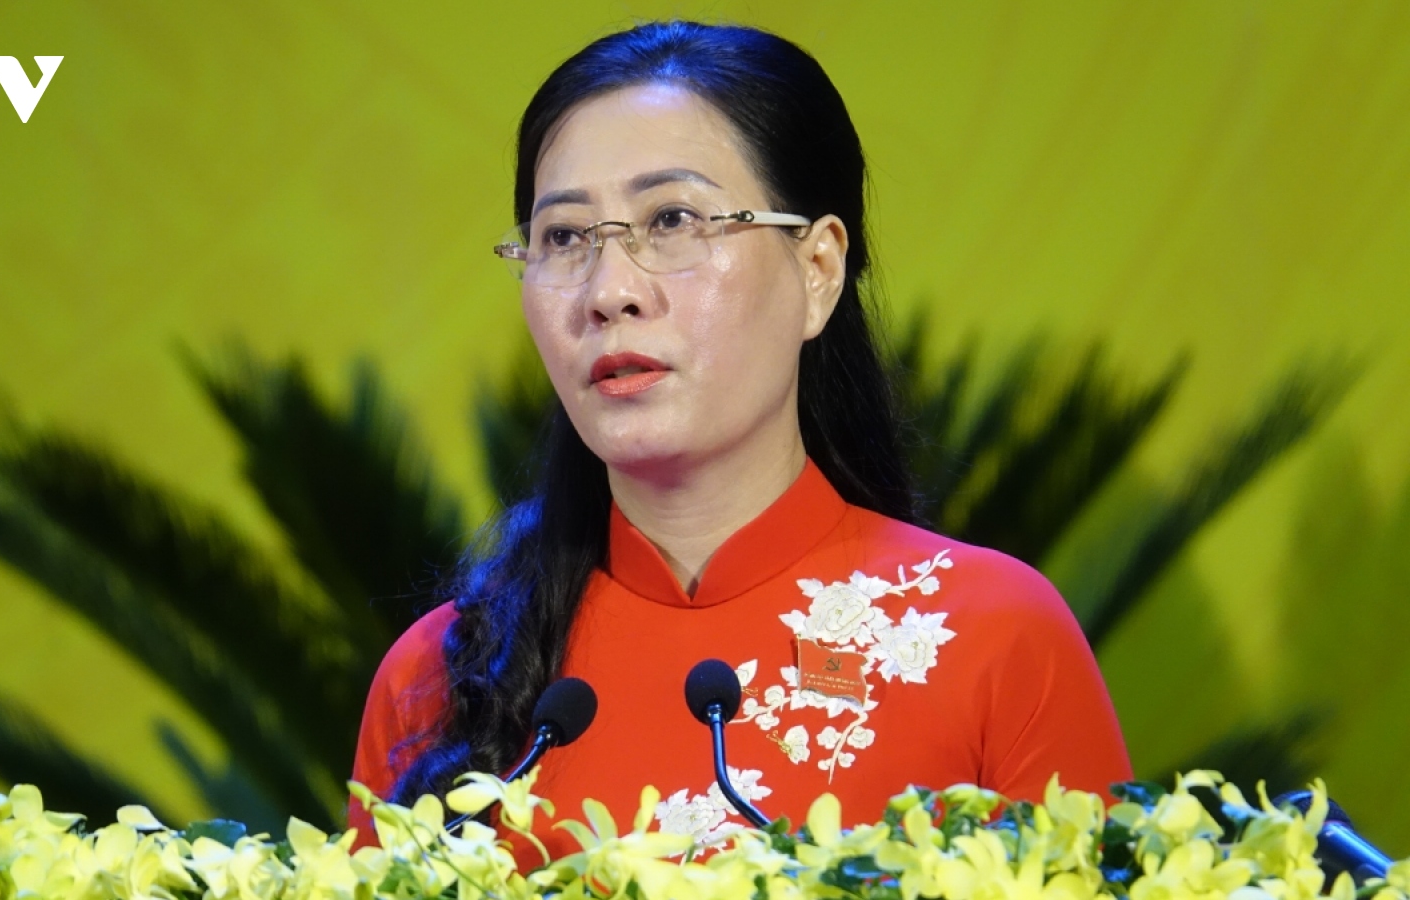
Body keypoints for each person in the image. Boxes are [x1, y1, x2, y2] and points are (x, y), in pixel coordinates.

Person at [347, 19, 1131, 864]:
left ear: (818, 270)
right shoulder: (437, 679)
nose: (609, 291)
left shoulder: (994, 638)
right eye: (565, 237)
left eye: (672, 219)